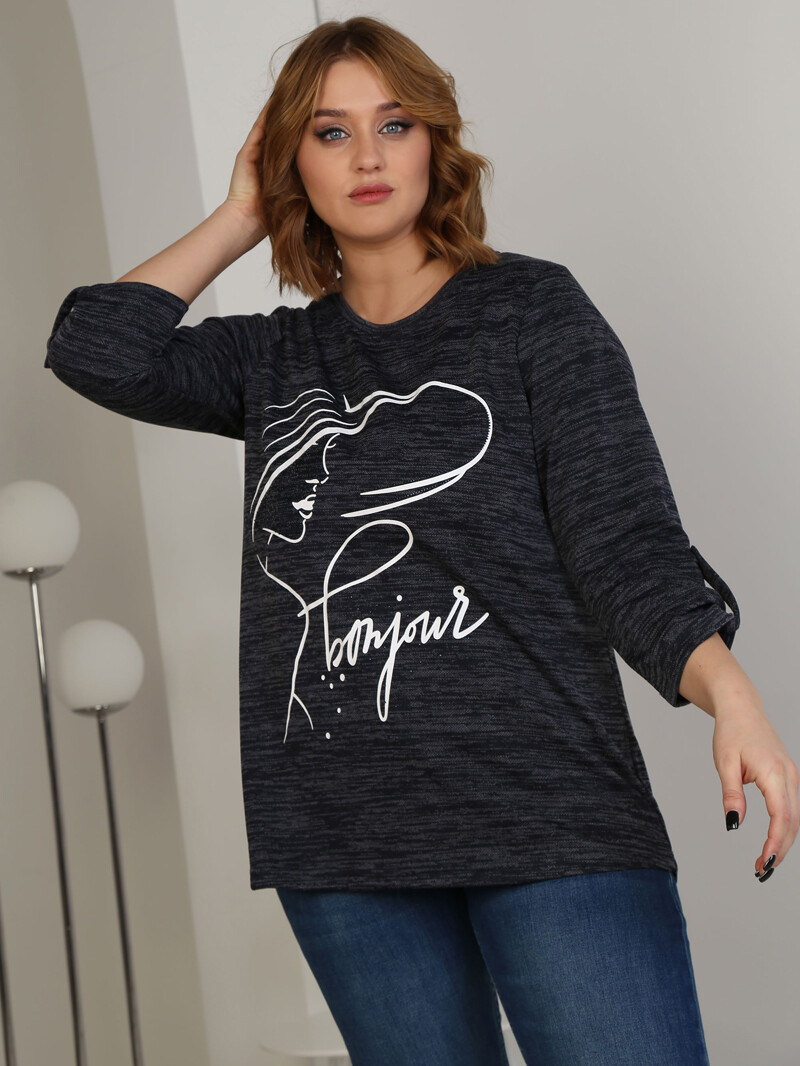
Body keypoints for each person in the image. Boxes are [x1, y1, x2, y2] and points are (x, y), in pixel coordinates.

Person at [45, 15, 798, 1066]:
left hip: (547, 813)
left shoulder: (533, 311)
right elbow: (94, 348)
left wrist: (730, 693)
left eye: (393, 124)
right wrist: (241, 214)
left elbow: (621, 541)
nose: (366, 155)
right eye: (329, 132)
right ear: (290, 161)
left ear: (434, 143)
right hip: (342, 837)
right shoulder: (272, 360)